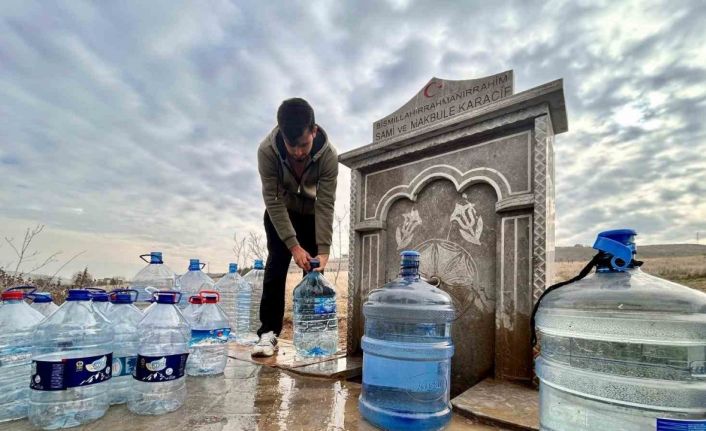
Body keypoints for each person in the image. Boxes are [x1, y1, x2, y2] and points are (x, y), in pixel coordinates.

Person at [252, 98, 338, 357]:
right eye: (292, 146)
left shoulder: (329, 156)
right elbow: (273, 201)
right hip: (281, 211)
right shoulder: (267, 151)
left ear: (314, 131)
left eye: (303, 144)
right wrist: (293, 245)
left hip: (312, 214)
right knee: (276, 265)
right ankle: (268, 333)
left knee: (313, 273)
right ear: (281, 135)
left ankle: (312, 334)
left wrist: (324, 249)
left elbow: (325, 203)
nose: (298, 152)